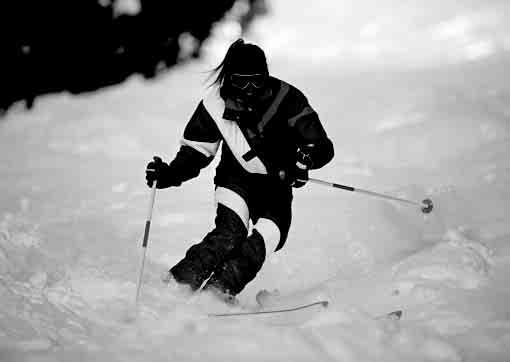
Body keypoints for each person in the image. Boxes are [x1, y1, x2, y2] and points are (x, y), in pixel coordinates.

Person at [145, 38, 334, 301]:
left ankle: (218, 293)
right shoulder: (215, 105)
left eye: (256, 81)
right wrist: (169, 174)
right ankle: (177, 284)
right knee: (230, 233)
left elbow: (321, 146)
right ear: (228, 79)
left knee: (269, 237)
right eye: (240, 81)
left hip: (276, 186)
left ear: (266, 77)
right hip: (235, 180)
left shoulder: (287, 99)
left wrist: (305, 161)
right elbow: (196, 151)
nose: (249, 89)